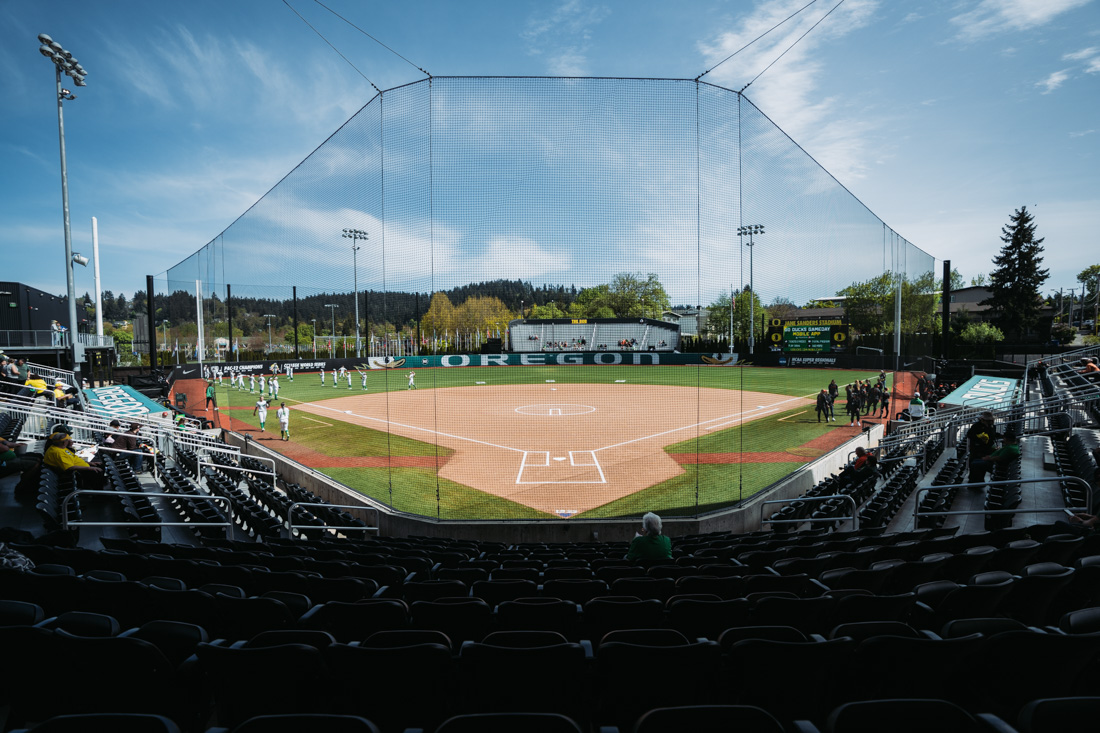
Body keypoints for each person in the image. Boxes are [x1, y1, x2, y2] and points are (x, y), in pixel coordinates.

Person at [965, 410, 1003, 485]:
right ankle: (973, 481)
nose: (990, 422)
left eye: (991, 420)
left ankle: (980, 481)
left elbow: (993, 435)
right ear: (983, 420)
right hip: (977, 449)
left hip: (987, 449)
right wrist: (979, 438)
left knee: (982, 466)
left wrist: (1001, 436)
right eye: (988, 421)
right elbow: (969, 435)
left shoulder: (992, 427)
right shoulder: (976, 426)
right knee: (974, 465)